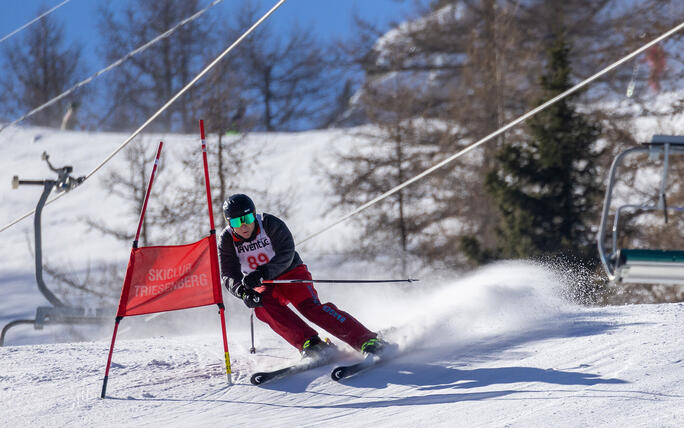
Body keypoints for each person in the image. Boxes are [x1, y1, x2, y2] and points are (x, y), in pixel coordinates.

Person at [218, 194, 387, 358]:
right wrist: (242, 292)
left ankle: (366, 339)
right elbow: (228, 274)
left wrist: (263, 272)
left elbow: (287, 253)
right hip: (264, 283)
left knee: (310, 308)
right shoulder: (227, 239)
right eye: (236, 222)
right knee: (261, 306)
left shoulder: (269, 224)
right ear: (229, 223)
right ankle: (311, 343)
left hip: (290, 272)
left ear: (254, 215)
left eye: (247, 219)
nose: (243, 226)